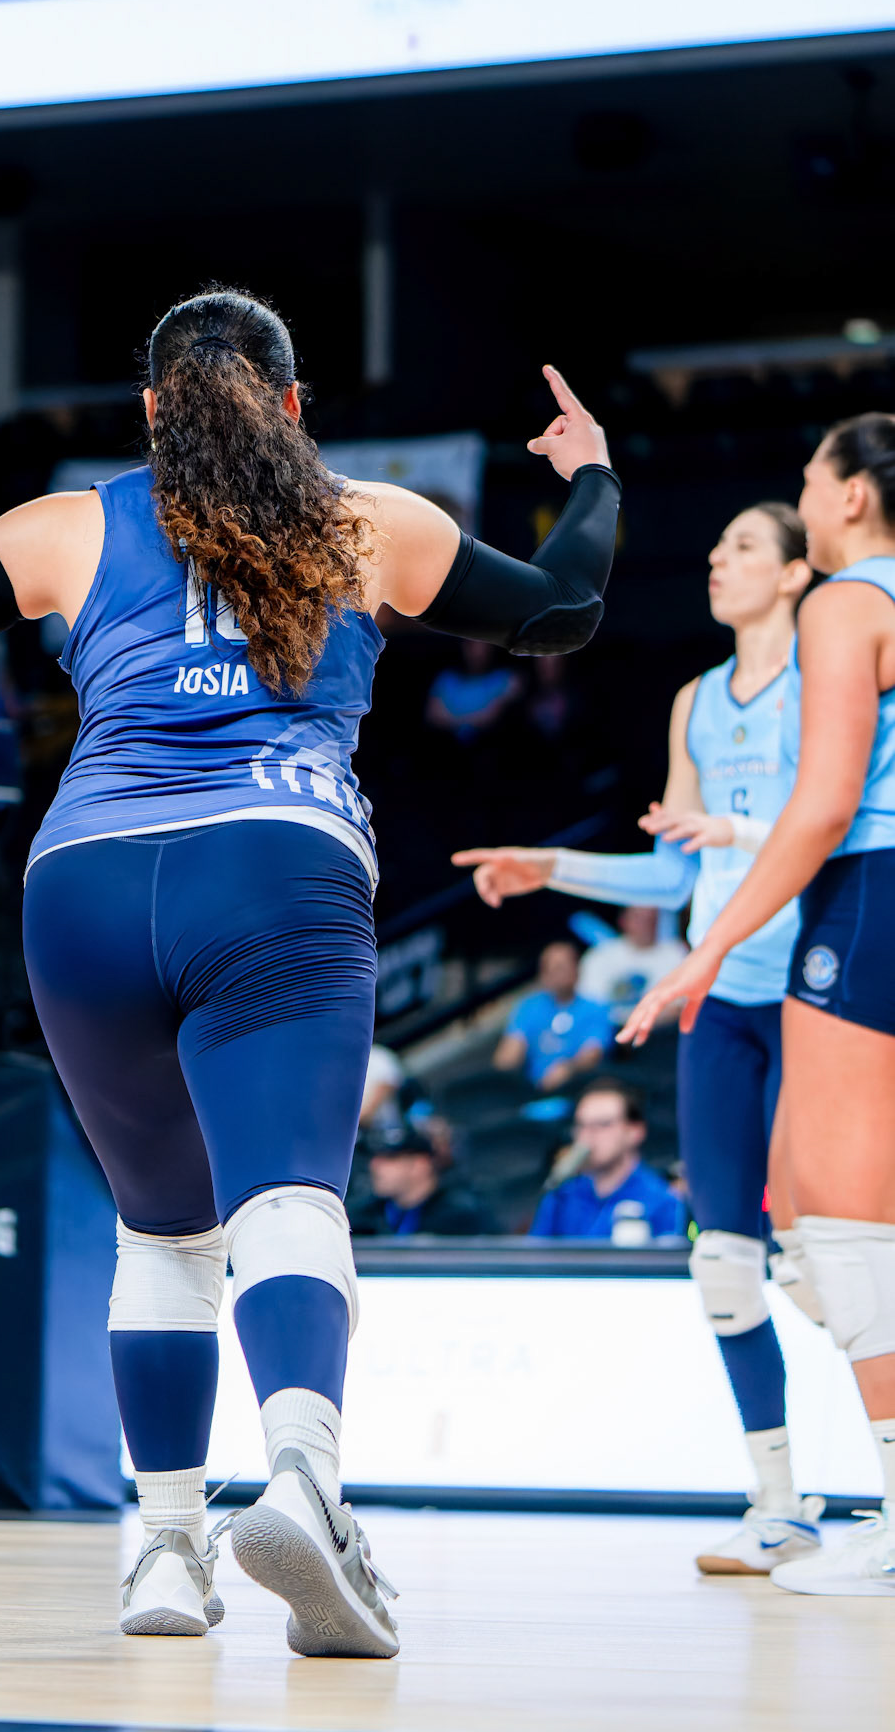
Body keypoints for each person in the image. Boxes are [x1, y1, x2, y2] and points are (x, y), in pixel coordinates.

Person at [0, 288, 620, 1655]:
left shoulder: (72, 526)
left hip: (83, 887)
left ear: (152, 410)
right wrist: (594, 479)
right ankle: (303, 1483)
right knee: (287, 1198)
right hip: (274, 866)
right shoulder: (367, 522)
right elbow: (563, 607)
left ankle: (165, 1547)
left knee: (162, 1232)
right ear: (292, 403)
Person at [454, 503, 828, 1571]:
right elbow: (675, 874)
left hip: (814, 994)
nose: (715, 557)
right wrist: (551, 866)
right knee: (725, 1266)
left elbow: (836, 826)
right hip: (721, 1005)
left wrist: (741, 830)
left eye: (742, 545)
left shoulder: (827, 684)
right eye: (714, 544)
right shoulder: (695, 702)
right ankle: (779, 1506)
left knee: (824, 1266)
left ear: (795, 573)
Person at [622, 417, 895, 1596]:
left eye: (810, 478)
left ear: (850, 497)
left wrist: (711, 945)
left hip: (854, 908)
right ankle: (787, 1503)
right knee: (789, 1243)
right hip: (829, 929)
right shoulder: (701, 696)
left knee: (838, 1228)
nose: (803, 494)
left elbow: (825, 806)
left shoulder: (845, 602)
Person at [528, 1080, 684, 1240]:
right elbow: (534, 1254)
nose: (588, 1135)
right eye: (581, 1125)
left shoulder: (663, 1202)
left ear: (635, 1131)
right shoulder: (561, 1197)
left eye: (603, 1124)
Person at [493, 940, 612, 1091]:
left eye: (561, 967)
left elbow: (593, 1053)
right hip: (534, 1088)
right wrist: (506, 1066)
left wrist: (568, 1069)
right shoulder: (529, 1007)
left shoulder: (595, 1008)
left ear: (576, 970)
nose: (556, 974)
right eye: (549, 968)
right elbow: (509, 1053)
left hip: (581, 1087)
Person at [349, 1126, 494, 1238]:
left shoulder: (461, 1216)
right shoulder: (365, 1214)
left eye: (389, 1159)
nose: (374, 1166)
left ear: (420, 1165)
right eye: (374, 1158)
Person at [574, 905, 686, 1026]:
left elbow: (678, 1007)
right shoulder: (601, 954)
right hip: (608, 1029)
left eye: (651, 919)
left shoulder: (676, 953)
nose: (645, 924)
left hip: (659, 1029)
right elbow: (588, 1003)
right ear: (623, 921)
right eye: (639, 918)